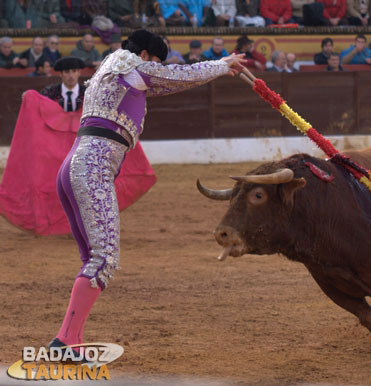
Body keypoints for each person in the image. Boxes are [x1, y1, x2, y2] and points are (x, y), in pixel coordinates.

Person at [47, 29, 245, 353]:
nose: (156, 68)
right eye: (155, 61)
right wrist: (222, 64)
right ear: (145, 56)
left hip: (74, 165)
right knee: (103, 259)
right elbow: (177, 75)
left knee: (93, 258)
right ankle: (65, 341)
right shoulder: (127, 62)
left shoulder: (109, 70)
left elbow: (167, 82)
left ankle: (73, 341)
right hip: (93, 167)